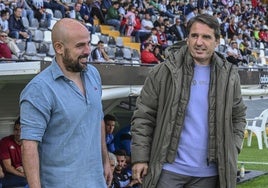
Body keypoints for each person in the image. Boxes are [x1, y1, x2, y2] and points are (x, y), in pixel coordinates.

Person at [131, 14, 247, 188]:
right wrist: (140, 158)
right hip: (168, 171)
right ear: (187, 38)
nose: (199, 42)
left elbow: (238, 117)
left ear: (217, 41)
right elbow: (143, 117)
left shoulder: (230, 76)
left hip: (209, 175)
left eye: (206, 37)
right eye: (194, 36)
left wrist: (232, 148)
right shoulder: (163, 72)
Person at [19, 18, 112, 188]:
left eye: (88, 43)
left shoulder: (93, 74)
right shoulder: (38, 90)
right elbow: (29, 146)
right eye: (79, 46)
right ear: (59, 48)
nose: (87, 51)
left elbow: (97, 119)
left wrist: (105, 161)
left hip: (96, 181)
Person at [0, 117, 28, 187]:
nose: (18, 133)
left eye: (21, 130)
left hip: (23, 172)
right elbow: (8, 167)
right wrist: (24, 175)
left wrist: (24, 168)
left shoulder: (30, 143)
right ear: (13, 130)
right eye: (16, 130)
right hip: (8, 174)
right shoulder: (5, 142)